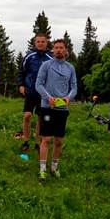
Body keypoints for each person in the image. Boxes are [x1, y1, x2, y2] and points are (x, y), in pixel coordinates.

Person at [34, 39, 77, 181]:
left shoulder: (70, 68)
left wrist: (68, 98)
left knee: (58, 141)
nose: (58, 50)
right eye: (56, 47)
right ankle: (42, 169)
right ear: (53, 50)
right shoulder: (46, 65)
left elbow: (74, 87)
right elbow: (38, 84)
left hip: (62, 109)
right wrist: (48, 98)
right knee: (46, 138)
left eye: (61, 48)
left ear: (65, 50)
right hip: (47, 107)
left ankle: (54, 166)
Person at [16, 34, 52, 152]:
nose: (40, 43)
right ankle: (25, 141)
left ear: (46, 43)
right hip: (30, 91)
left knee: (40, 118)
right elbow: (21, 71)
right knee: (27, 116)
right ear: (35, 43)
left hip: (43, 93)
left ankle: (38, 142)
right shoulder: (29, 56)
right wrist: (21, 85)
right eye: (38, 41)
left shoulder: (51, 58)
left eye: (43, 41)